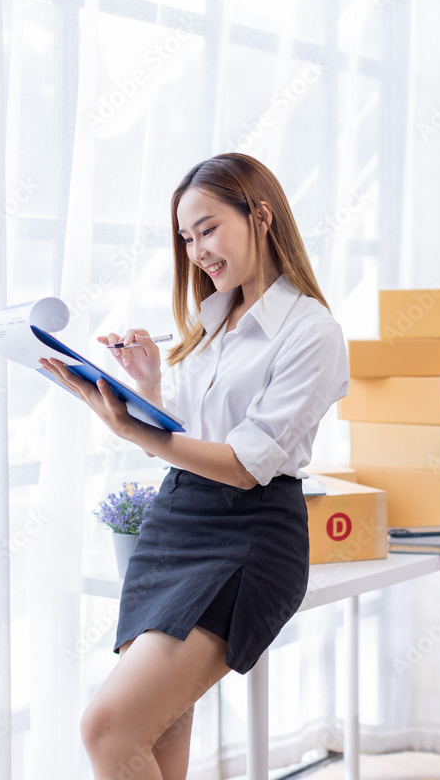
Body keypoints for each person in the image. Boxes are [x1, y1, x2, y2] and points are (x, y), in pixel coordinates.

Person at [39, 152, 349, 780]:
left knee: (108, 728)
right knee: (154, 735)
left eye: (208, 228)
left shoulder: (312, 331)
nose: (197, 250)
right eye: (186, 237)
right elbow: (191, 433)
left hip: (250, 533)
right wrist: (146, 393)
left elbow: (242, 464)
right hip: (177, 521)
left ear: (260, 215)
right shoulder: (214, 323)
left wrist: (132, 430)